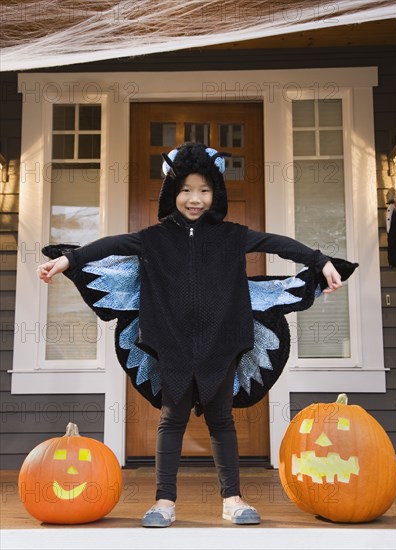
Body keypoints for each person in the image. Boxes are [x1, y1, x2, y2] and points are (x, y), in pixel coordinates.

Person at [38, 142, 355, 527]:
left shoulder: (232, 236)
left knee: (222, 419)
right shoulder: (152, 239)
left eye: (204, 190)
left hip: (221, 341)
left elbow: (277, 244)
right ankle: (164, 502)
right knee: (172, 419)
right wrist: (69, 259)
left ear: (216, 193)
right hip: (170, 343)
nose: (195, 198)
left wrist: (320, 262)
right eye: (186, 190)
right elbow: (109, 245)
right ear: (172, 192)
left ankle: (232, 499)